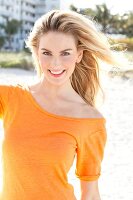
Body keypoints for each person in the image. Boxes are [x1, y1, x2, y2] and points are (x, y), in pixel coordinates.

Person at [0, 9, 119, 200]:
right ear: (36, 53)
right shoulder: (10, 97)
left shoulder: (89, 120)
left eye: (65, 53)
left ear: (79, 55)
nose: (55, 64)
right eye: (47, 53)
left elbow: (90, 192)